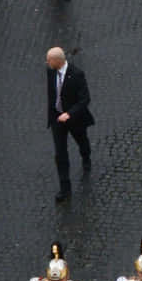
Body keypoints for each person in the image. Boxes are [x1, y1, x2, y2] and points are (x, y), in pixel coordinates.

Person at [45, 46, 93, 203]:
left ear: (57, 61)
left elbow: (85, 99)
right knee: (60, 153)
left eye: (49, 60)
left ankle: (86, 156)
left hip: (74, 119)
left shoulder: (77, 74)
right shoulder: (50, 71)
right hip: (57, 119)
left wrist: (70, 113)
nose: (47, 62)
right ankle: (65, 188)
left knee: (82, 141)